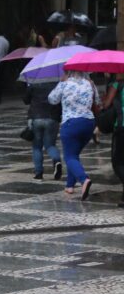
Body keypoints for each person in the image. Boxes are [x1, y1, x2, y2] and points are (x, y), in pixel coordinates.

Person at [48, 70, 100, 200]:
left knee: (69, 156)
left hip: (70, 123)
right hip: (88, 123)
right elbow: (98, 101)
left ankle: (84, 179)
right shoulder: (90, 83)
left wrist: (61, 82)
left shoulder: (65, 83)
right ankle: (70, 185)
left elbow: (52, 99)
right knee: (74, 155)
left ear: (68, 71)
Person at [24, 82, 62, 180]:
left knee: (37, 147)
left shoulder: (34, 83)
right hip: (52, 118)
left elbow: (26, 100)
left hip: (36, 117)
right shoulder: (57, 84)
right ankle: (57, 160)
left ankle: (38, 173)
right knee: (50, 145)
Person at [102, 74, 124, 206]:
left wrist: (104, 99)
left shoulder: (117, 85)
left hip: (122, 127)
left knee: (118, 162)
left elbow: (106, 105)